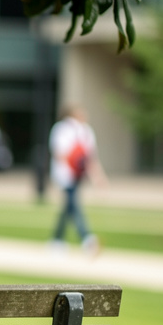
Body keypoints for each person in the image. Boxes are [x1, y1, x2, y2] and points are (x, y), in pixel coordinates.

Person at [48, 104, 107, 253]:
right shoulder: (62, 129)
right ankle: (87, 238)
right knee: (73, 204)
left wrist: (98, 177)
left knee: (69, 206)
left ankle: (56, 240)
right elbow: (60, 153)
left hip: (78, 174)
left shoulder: (86, 131)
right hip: (65, 174)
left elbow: (90, 157)